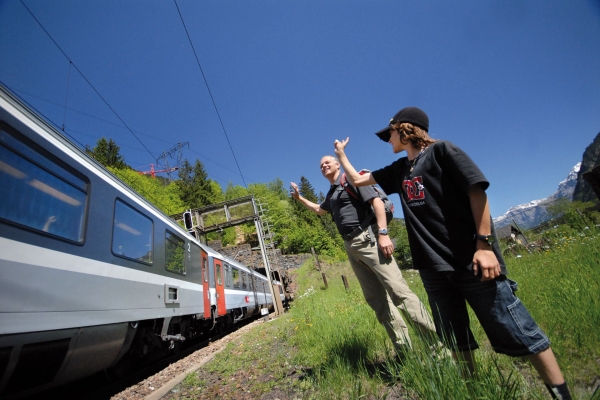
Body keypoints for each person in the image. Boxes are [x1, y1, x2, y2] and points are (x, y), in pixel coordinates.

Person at [334, 107, 571, 400]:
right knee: (457, 341)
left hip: (471, 261)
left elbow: (477, 191)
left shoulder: (442, 151)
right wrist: (341, 154)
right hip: (433, 271)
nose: (387, 139)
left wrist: (484, 245)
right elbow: (358, 181)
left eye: (390, 133)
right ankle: (475, 393)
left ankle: (561, 395)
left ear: (406, 128)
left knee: (520, 330)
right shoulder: (398, 171)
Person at [290, 155, 439, 356]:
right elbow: (319, 210)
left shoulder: (352, 179)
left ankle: (438, 349)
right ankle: (406, 353)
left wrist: (383, 234)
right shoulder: (332, 193)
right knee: (377, 300)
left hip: (368, 239)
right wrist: (299, 198)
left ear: (337, 164)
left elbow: (376, 202)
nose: (324, 165)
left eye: (328, 162)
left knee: (398, 292)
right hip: (350, 246)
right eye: (321, 165)